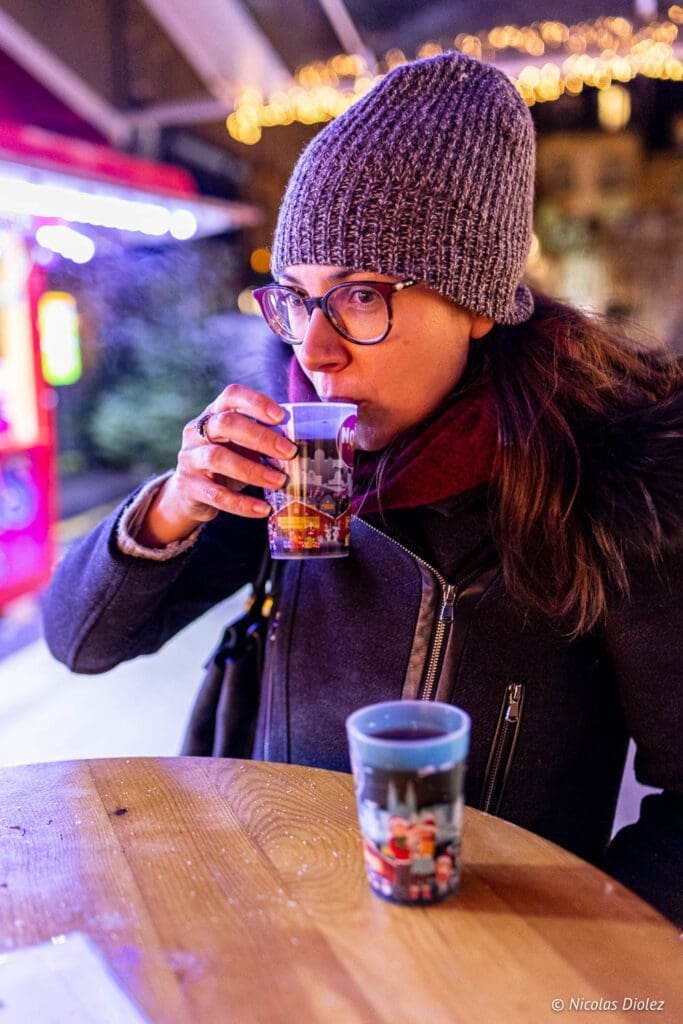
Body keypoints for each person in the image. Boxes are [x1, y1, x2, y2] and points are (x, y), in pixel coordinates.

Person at [43, 52, 682, 927]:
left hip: (482, 969)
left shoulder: (608, 483)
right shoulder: (288, 463)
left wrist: (575, 959)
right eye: (298, 300)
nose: (315, 347)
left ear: (478, 303)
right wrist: (171, 506)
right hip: (281, 928)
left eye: (362, 295)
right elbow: (80, 643)